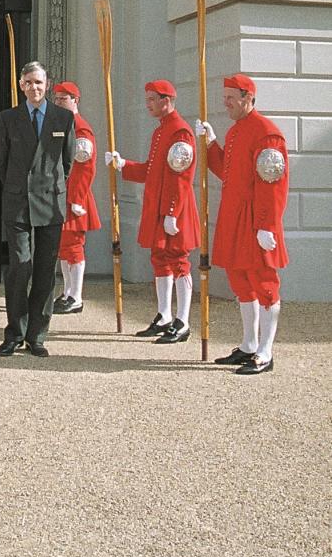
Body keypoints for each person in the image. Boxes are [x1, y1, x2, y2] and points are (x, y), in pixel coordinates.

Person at [198, 73, 289, 375]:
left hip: (256, 219)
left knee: (263, 282)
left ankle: (265, 352)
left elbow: (274, 184)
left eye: (230, 98)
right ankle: (249, 344)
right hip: (234, 215)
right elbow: (227, 170)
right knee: (241, 281)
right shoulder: (237, 131)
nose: (225, 104)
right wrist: (211, 141)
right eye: (224, 98)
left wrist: (267, 225)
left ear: (248, 97)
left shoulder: (267, 133)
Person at [106, 80, 200, 344]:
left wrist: (172, 212)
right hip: (159, 205)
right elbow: (151, 170)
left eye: (151, 99)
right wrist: (122, 164)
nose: (147, 104)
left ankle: (182, 321)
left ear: (165, 100)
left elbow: (181, 177)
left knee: (179, 261)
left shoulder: (180, 132)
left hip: (174, 208)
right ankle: (164, 315)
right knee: (160, 259)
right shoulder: (161, 132)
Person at [0, 61, 76, 358]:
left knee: (44, 271)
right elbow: (0, 161)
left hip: (50, 203)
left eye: (39, 82)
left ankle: (37, 334)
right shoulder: (8, 118)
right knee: (19, 267)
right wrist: (18, 186)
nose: (34, 88)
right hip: (17, 202)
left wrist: (49, 186)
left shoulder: (63, 119)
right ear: (20, 85)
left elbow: (67, 163)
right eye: (28, 82)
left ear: (47, 84)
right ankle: (14, 333)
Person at [52, 82, 101, 315]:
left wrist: (77, 198)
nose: (60, 102)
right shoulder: (64, 124)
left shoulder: (81, 129)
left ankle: (76, 296)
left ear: (75, 100)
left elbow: (85, 168)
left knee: (73, 246)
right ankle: (67, 290)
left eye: (64, 98)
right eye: (58, 99)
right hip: (63, 193)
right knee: (63, 246)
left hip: (74, 196)